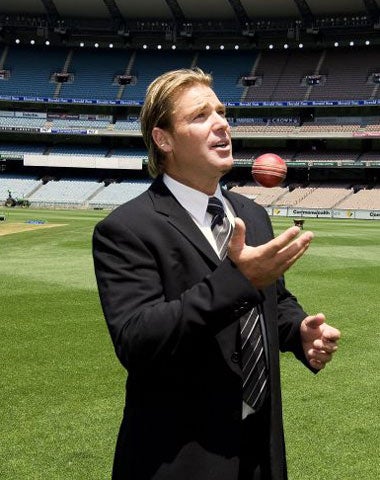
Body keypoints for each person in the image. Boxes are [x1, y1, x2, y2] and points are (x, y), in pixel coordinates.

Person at [92, 68, 341, 480]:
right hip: (180, 458)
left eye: (222, 112)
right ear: (163, 139)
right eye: (200, 116)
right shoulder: (127, 229)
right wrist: (238, 280)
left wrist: (299, 332)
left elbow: (272, 302)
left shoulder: (252, 215)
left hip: (261, 450)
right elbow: (138, 341)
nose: (222, 123)